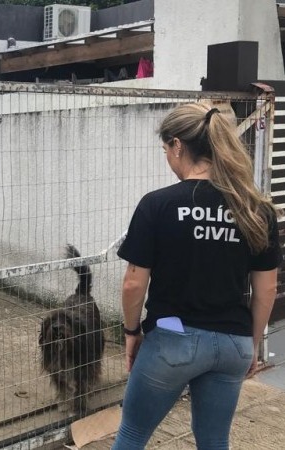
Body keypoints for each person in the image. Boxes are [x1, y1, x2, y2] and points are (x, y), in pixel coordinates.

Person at [112, 102, 282, 450]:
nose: (167, 157)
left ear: (178, 145)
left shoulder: (157, 204)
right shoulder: (256, 209)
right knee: (214, 440)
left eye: (165, 149)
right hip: (232, 343)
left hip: (174, 332)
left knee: (131, 435)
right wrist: (250, 343)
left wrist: (131, 332)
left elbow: (133, 283)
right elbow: (267, 288)